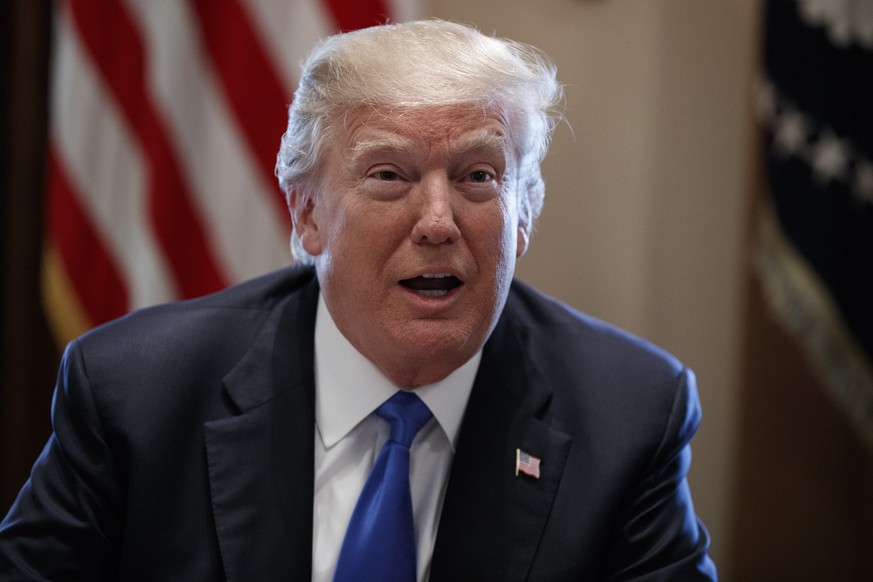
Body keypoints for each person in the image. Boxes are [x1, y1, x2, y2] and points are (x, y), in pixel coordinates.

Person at [0, 19, 716, 581]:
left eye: (477, 177)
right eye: (387, 175)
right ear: (307, 215)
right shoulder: (137, 391)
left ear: (523, 214)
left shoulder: (628, 414)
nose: (438, 221)